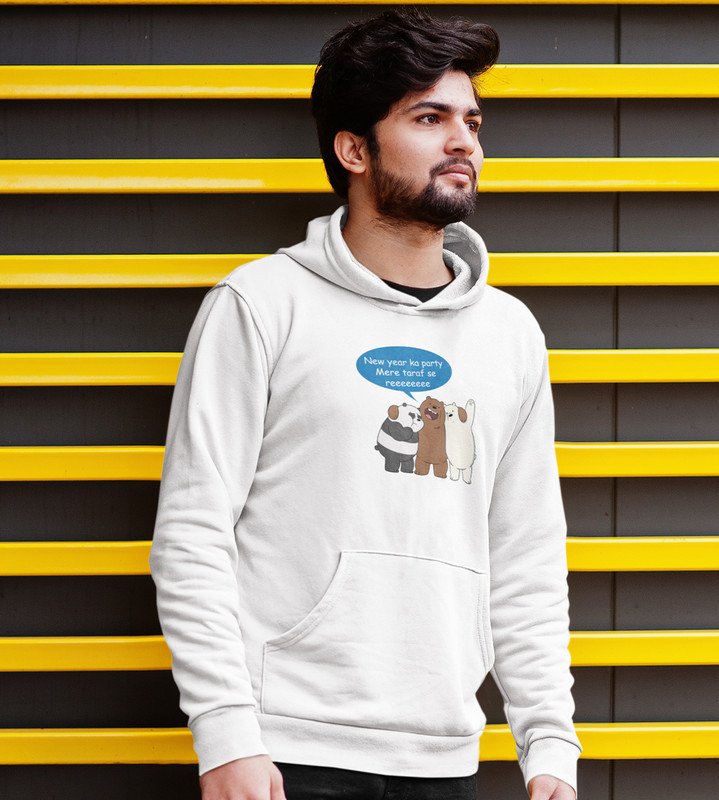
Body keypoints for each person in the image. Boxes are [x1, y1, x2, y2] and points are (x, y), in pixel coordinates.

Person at [149, 8, 583, 800]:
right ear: (353, 149)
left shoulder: (509, 333)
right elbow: (192, 532)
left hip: (444, 754)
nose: (463, 142)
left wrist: (549, 744)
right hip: (285, 748)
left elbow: (526, 554)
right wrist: (225, 736)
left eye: (471, 122)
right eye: (429, 118)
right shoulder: (262, 304)